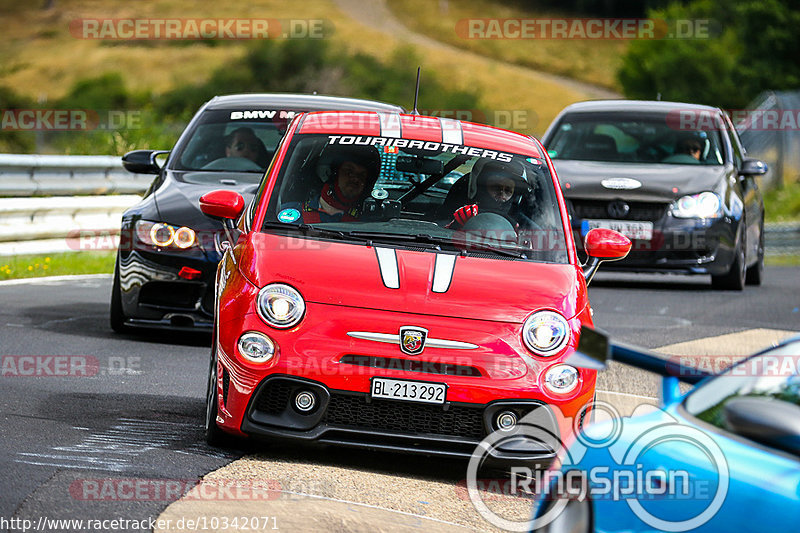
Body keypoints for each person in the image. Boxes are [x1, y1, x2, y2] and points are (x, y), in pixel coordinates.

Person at [282, 147, 381, 223]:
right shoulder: (288, 214)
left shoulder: (368, 224)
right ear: (331, 173)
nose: (355, 179)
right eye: (349, 172)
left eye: (361, 175)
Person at [448, 159, 528, 229]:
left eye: (508, 190)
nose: (501, 194)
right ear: (481, 188)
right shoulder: (466, 213)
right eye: (496, 188)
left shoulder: (521, 223)